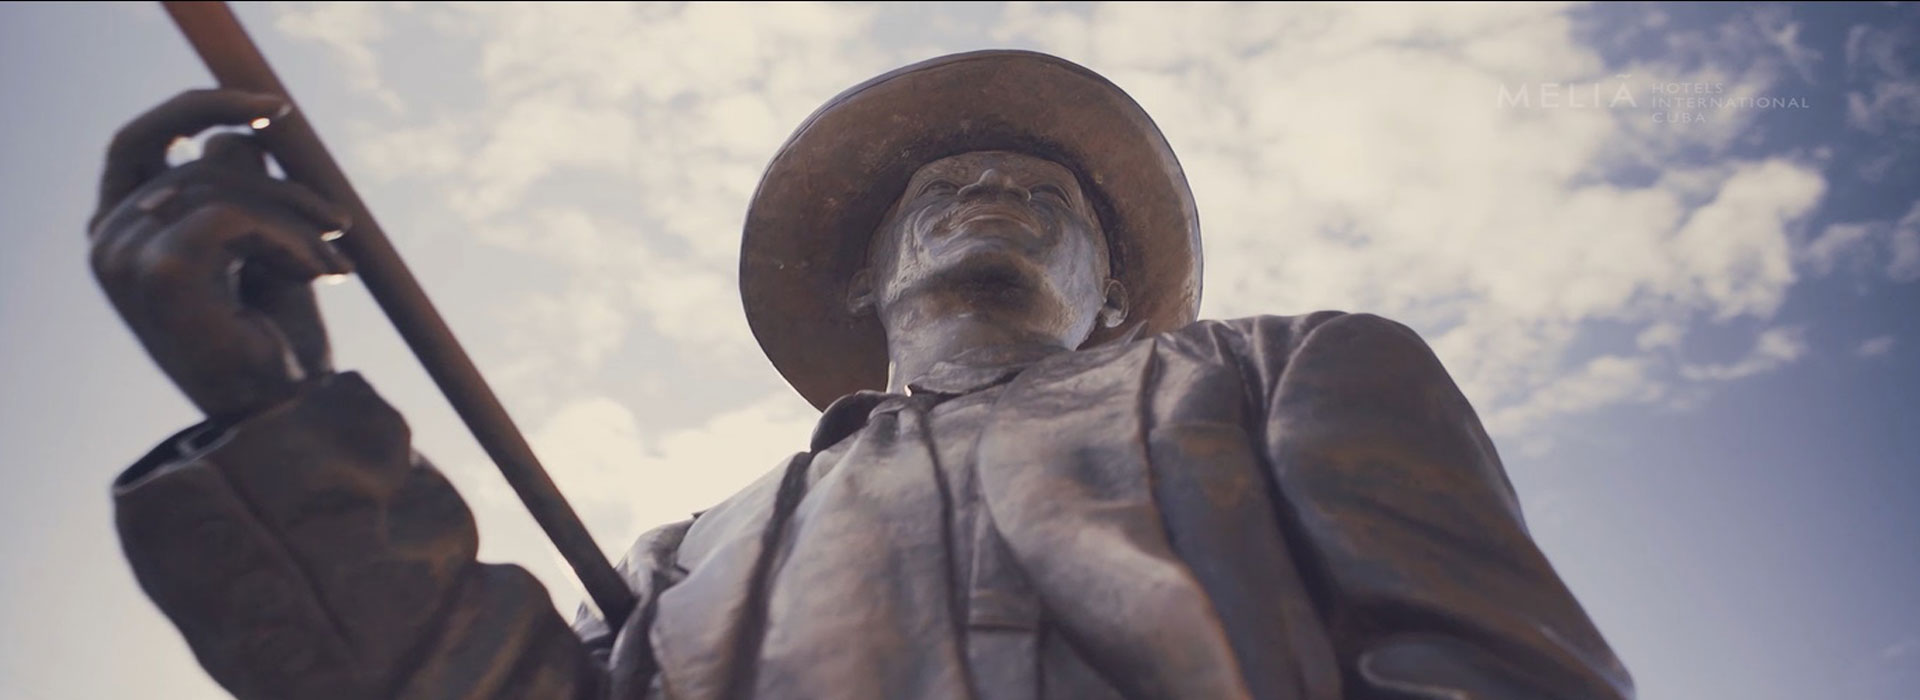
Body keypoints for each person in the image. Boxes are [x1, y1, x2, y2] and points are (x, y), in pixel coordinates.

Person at [91, 51, 1632, 699]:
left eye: (1056, 197)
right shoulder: (683, 561)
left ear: (1115, 301)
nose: (995, 191)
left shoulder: (1289, 372)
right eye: (943, 186)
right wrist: (276, 419)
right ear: (866, 276)